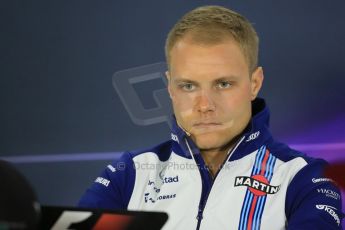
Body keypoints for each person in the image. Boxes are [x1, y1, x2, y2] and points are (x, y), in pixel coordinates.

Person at [79, 5, 343, 229]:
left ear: (254, 83)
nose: (204, 105)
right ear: (170, 87)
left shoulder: (304, 178)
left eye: (223, 84)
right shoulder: (129, 174)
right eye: (189, 86)